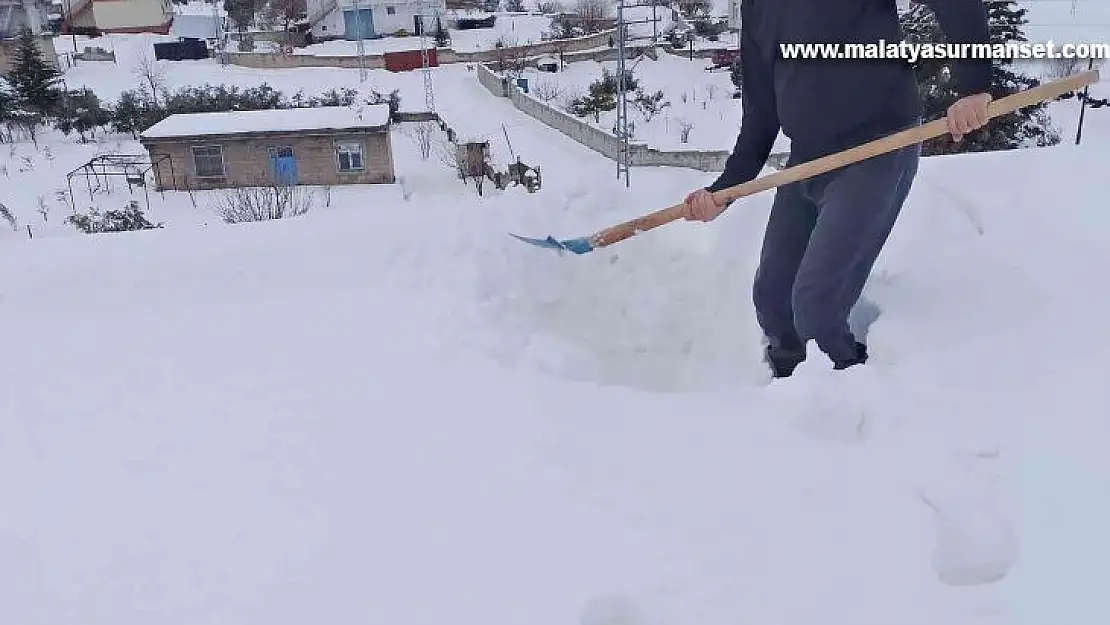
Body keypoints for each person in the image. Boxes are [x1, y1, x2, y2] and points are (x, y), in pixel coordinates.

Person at [683, 0, 993, 378]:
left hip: (877, 149)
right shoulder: (759, 8)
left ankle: (850, 387)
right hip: (808, 161)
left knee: (817, 309)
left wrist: (974, 87)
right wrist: (724, 192)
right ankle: (788, 396)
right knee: (773, 301)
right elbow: (761, 117)